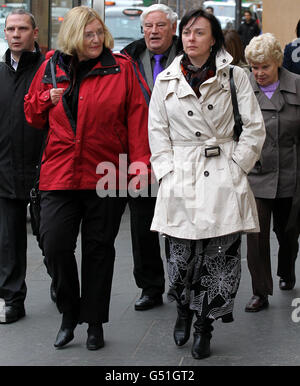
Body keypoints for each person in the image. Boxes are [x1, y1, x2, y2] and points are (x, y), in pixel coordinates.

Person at [24, 6, 151, 350]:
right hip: (59, 172)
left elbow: (139, 117)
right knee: (54, 244)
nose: (95, 40)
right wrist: (42, 99)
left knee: (98, 250)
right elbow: (33, 116)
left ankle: (94, 322)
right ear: (73, 37)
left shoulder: (121, 68)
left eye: (99, 33)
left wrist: (141, 165)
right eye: (88, 34)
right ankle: (69, 312)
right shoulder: (52, 65)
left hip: (107, 173)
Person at [148, 8, 265, 359]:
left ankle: (204, 325)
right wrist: (167, 171)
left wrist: (237, 166)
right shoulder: (167, 79)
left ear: (213, 38)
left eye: (199, 32)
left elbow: (254, 128)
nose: (191, 38)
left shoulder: (235, 76)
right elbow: (157, 131)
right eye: (186, 32)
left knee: (220, 258)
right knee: (180, 258)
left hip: (222, 173)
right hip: (181, 173)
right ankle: (183, 305)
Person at [120, 4, 179, 311]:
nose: (153, 32)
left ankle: (180, 282)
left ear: (173, 28)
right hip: (140, 153)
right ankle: (150, 287)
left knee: (180, 222)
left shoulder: (189, 56)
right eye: (148, 26)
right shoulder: (128, 57)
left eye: (159, 26)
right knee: (143, 225)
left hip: (181, 153)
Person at [244, 33, 300, 312]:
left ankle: (287, 270)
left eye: (264, 66)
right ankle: (260, 291)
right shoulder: (244, 88)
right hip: (256, 174)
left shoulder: (298, 85)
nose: (259, 72)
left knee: (288, 232)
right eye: (254, 67)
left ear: (277, 62)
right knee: (256, 233)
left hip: (291, 172)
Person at [0, 9, 45, 324]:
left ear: (35, 33)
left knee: (52, 239)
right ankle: (12, 300)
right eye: (10, 29)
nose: (16, 34)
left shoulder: (49, 71)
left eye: (22, 29)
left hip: (43, 171)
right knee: (8, 242)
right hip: (4, 170)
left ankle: (64, 289)